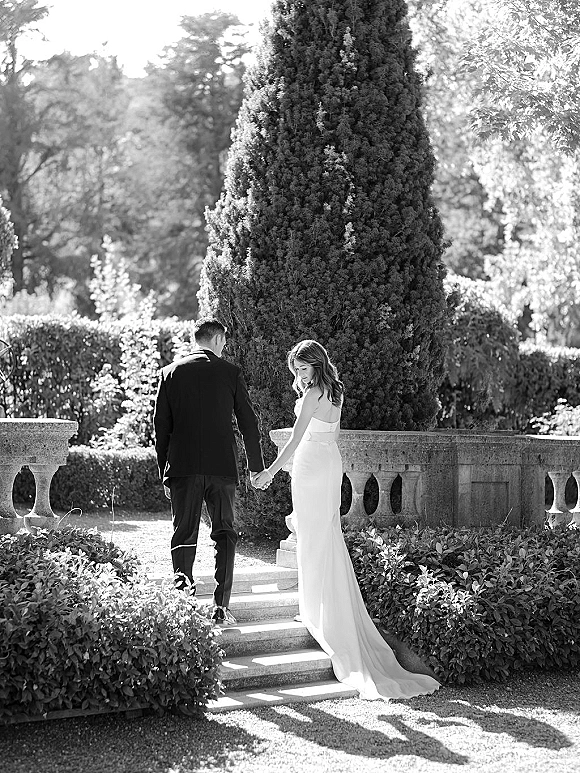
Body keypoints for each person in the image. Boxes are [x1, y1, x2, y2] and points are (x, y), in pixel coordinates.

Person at [254, 340, 440, 699]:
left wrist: (271, 471)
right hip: (329, 460)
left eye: (303, 368)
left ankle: (313, 610)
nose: (299, 375)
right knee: (324, 532)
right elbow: (333, 435)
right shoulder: (335, 392)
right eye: (296, 370)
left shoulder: (311, 395)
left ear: (316, 364)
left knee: (312, 535)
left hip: (310, 463)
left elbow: (294, 440)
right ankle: (320, 604)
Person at [154, 318, 265, 625]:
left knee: (184, 532)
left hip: (183, 468)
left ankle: (183, 606)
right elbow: (248, 423)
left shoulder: (170, 373)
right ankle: (221, 607)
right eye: (224, 342)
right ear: (217, 340)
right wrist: (256, 467)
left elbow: (161, 428)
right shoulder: (230, 373)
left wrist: (165, 471)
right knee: (225, 534)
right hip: (221, 468)